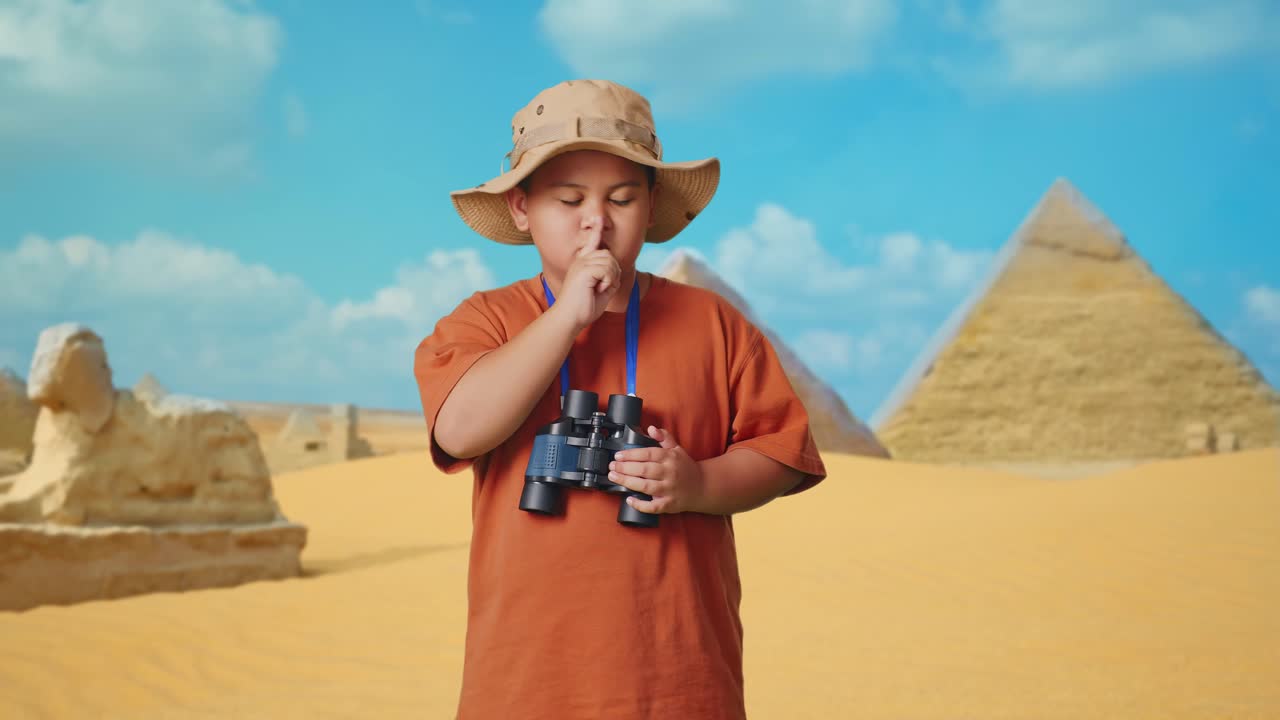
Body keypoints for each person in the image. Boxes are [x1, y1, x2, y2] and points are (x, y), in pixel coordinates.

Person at [414, 79, 827, 719]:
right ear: (521, 208)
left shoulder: (714, 325)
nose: (596, 222)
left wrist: (697, 485)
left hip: (680, 677)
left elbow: (781, 453)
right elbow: (461, 431)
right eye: (569, 199)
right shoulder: (484, 322)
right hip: (525, 682)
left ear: (652, 205)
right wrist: (566, 319)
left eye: (623, 199)